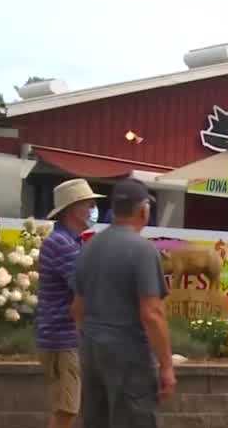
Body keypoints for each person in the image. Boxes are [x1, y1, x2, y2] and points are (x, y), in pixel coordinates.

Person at [71, 179, 174, 428]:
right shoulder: (143, 250)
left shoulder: (89, 246)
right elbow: (152, 313)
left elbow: (77, 308)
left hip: (92, 351)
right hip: (129, 354)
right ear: (143, 209)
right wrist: (167, 366)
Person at [37, 179, 103, 428]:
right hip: (62, 338)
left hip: (62, 337)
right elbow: (86, 288)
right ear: (73, 209)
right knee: (66, 409)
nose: (93, 210)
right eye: (89, 204)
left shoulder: (69, 242)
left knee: (66, 408)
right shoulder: (62, 245)